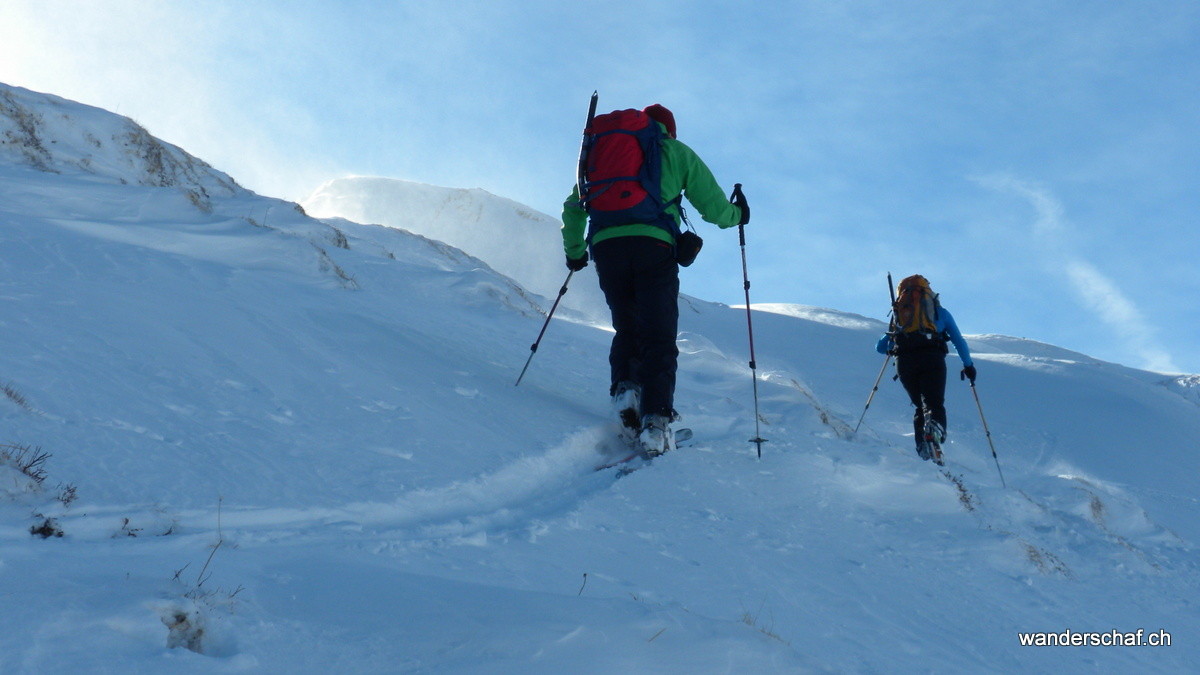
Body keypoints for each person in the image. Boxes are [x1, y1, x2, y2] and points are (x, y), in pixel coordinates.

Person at [562, 103, 747, 456]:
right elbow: (714, 209)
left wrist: (574, 252)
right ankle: (655, 423)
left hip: (607, 245)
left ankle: (625, 394)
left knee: (627, 326)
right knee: (658, 334)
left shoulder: (597, 151)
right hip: (653, 246)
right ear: (668, 130)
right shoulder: (673, 150)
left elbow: (574, 205)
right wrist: (739, 215)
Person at [875, 274, 976, 463]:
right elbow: (958, 341)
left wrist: (898, 345)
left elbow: (880, 348)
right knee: (933, 402)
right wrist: (968, 365)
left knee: (920, 407)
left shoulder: (900, 316)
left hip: (905, 363)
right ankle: (935, 430)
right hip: (932, 357)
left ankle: (922, 445)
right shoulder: (940, 313)